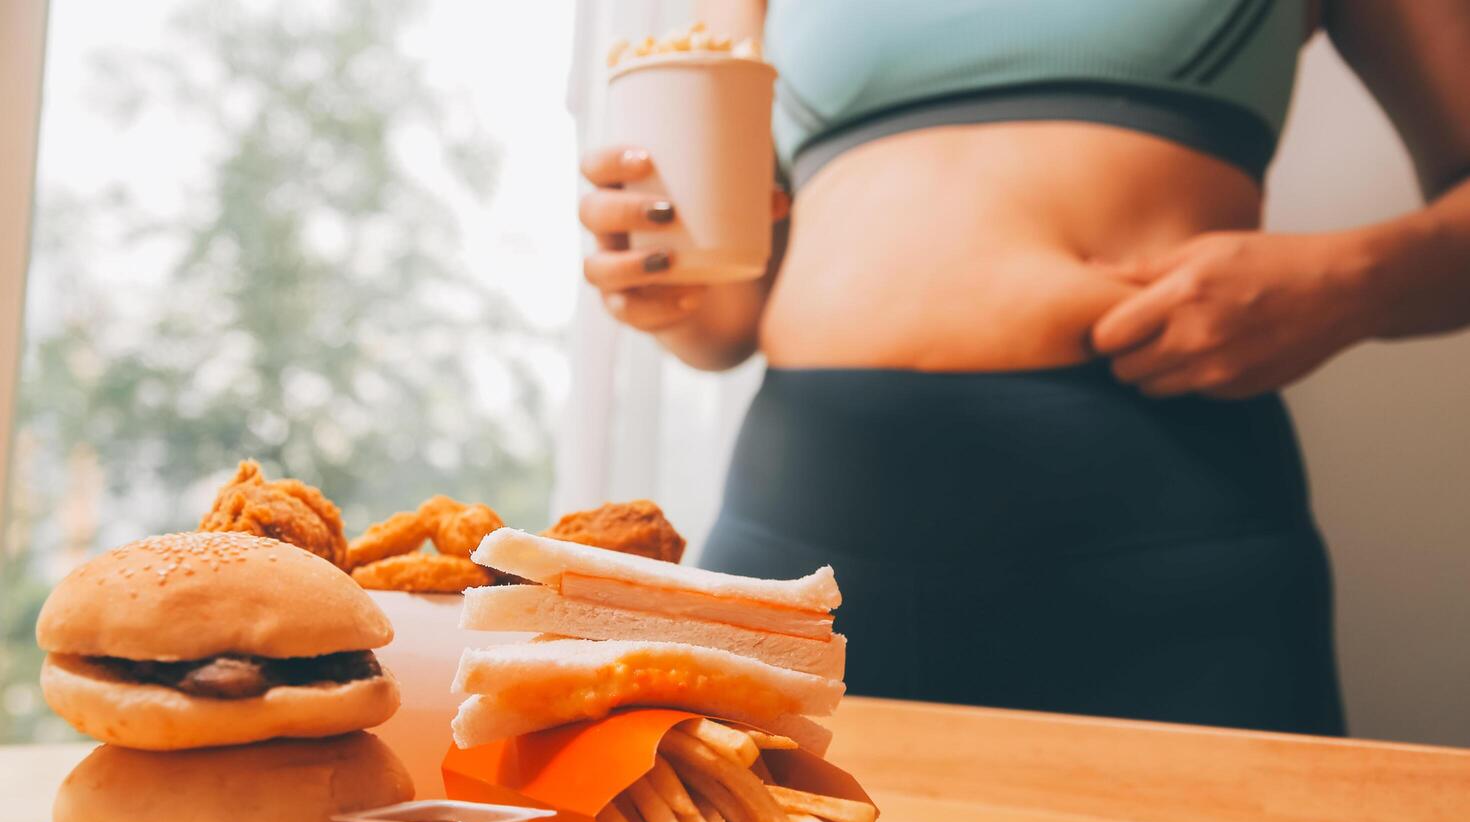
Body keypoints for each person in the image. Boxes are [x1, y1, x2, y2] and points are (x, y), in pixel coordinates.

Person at [577, 1, 1470, 734]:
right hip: (802, 541)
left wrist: (1349, 284)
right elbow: (724, 321)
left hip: (1165, 540)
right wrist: (656, 281)